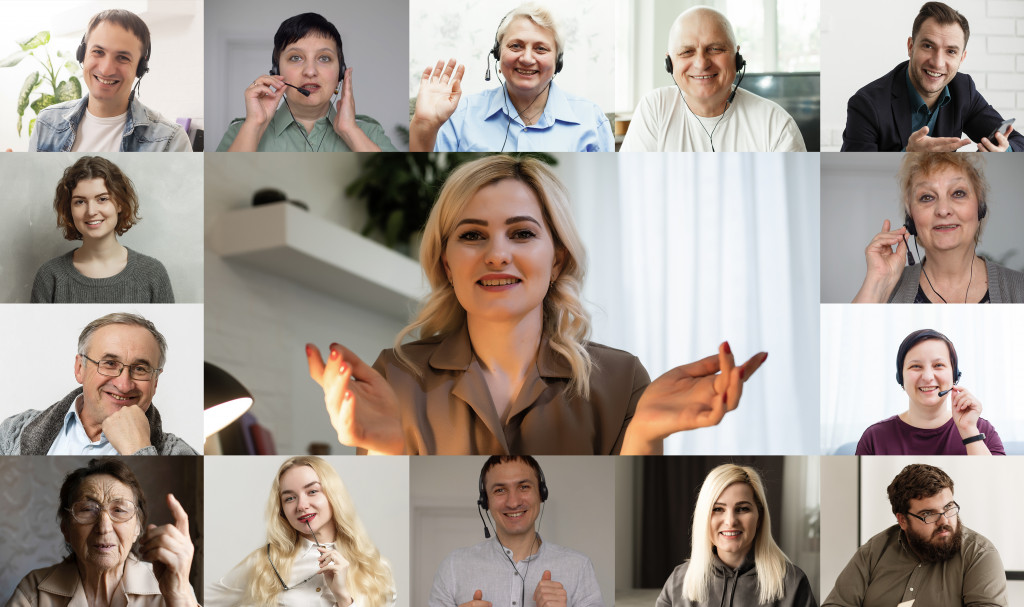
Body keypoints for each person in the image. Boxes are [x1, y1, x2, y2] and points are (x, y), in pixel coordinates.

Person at [306, 155, 767, 455]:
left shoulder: (623, 380)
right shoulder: (396, 376)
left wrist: (644, 433)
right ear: (447, 263)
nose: (497, 253)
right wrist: (388, 451)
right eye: (472, 235)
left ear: (557, 257)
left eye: (522, 233)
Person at [408, 3, 613, 152]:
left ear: (557, 61)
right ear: (498, 53)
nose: (526, 58)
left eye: (541, 49)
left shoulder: (591, 120)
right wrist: (424, 125)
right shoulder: (460, 116)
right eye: (516, 46)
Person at [6, 457, 198, 606]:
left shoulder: (172, 585)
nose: (104, 527)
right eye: (88, 510)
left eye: (119, 510)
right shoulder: (34, 592)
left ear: (137, 527)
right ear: (66, 527)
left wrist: (179, 595)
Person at [205, 456, 395, 607]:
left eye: (312, 491)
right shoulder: (263, 563)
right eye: (289, 498)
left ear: (333, 495)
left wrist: (344, 598)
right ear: (281, 509)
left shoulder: (376, 569)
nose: (301, 506)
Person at [0, 312, 196, 455]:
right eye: (110, 364)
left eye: (140, 369)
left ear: (155, 382)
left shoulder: (178, 454)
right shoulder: (14, 430)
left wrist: (139, 451)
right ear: (80, 368)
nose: (124, 384)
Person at [842, 2, 1023, 152]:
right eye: (928, 46)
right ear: (911, 47)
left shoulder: (963, 89)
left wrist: (1004, 152)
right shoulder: (866, 105)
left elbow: (1018, 142)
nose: (937, 63)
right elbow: (852, 179)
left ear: (962, 58)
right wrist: (907, 158)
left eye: (951, 51)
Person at [619, 6, 805, 152]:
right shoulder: (655, 109)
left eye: (715, 49)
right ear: (670, 63)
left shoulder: (776, 125)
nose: (701, 63)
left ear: (737, 58)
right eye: (687, 52)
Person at [823, 464, 1008, 607]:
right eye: (929, 514)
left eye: (949, 508)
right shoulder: (874, 551)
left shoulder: (979, 554)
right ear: (902, 520)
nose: (944, 521)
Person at [429, 456, 603, 607]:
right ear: (485, 502)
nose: (513, 503)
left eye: (524, 487)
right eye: (500, 490)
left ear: (541, 494)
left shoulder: (579, 566)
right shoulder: (453, 567)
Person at [852, 153, 1024, 303]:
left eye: (958, 193)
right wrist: (878, 281)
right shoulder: (887, 288)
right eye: (927, 197)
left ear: (980, 208)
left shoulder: (1018, 288)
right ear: (910, 218)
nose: (943, 210)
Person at [216, 13, 396, 152]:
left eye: (324, 58)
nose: (310, 71)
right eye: (296, 58)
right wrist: (254, 125)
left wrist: (350, 131)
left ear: (341, 73)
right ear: (277, 71)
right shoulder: (241, 132)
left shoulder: (369, 133)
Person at [28, 9, 190, 152]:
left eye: (122, 57)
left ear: (140, 68)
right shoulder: (47, 123)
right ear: (82, 54)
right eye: (98, 52)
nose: (106, 69)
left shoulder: (170, 141)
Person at [657, 464, 816, 607]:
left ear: (759, 518)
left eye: (742, 509)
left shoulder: (793, 583)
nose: (730, 521)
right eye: (718, 509)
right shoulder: (678, 580)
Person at [31, 156, 174, 303]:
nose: (91, 211)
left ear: (119, 204)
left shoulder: (153, 273)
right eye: (80, 202)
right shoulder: (50, 276)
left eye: (102, 199)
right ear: (70, 210)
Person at [856, 329, 1004, 455]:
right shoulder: (874, 438)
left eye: (938, 365)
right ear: (900, 377)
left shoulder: (981, 430)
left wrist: (969, 431)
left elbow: (999, 485)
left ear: (954, 375)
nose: (927, 377)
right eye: (916, 366)